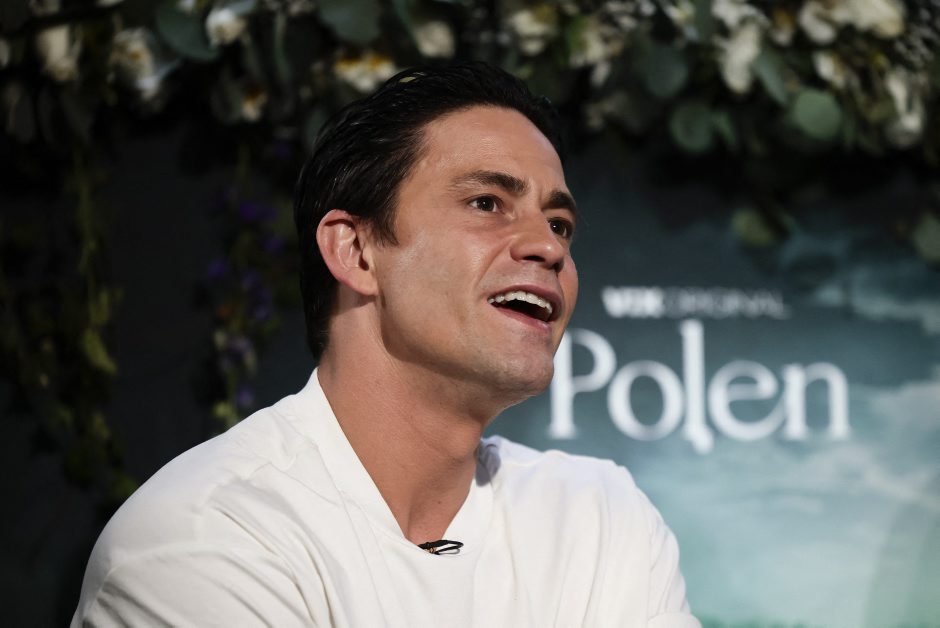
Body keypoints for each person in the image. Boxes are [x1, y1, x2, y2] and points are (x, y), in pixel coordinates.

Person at [72, 62, 699, 627]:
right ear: (355, 251)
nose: (548, 246)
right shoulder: (207, 534)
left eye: (559, 223)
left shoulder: (600, 517)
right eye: (487, 203)